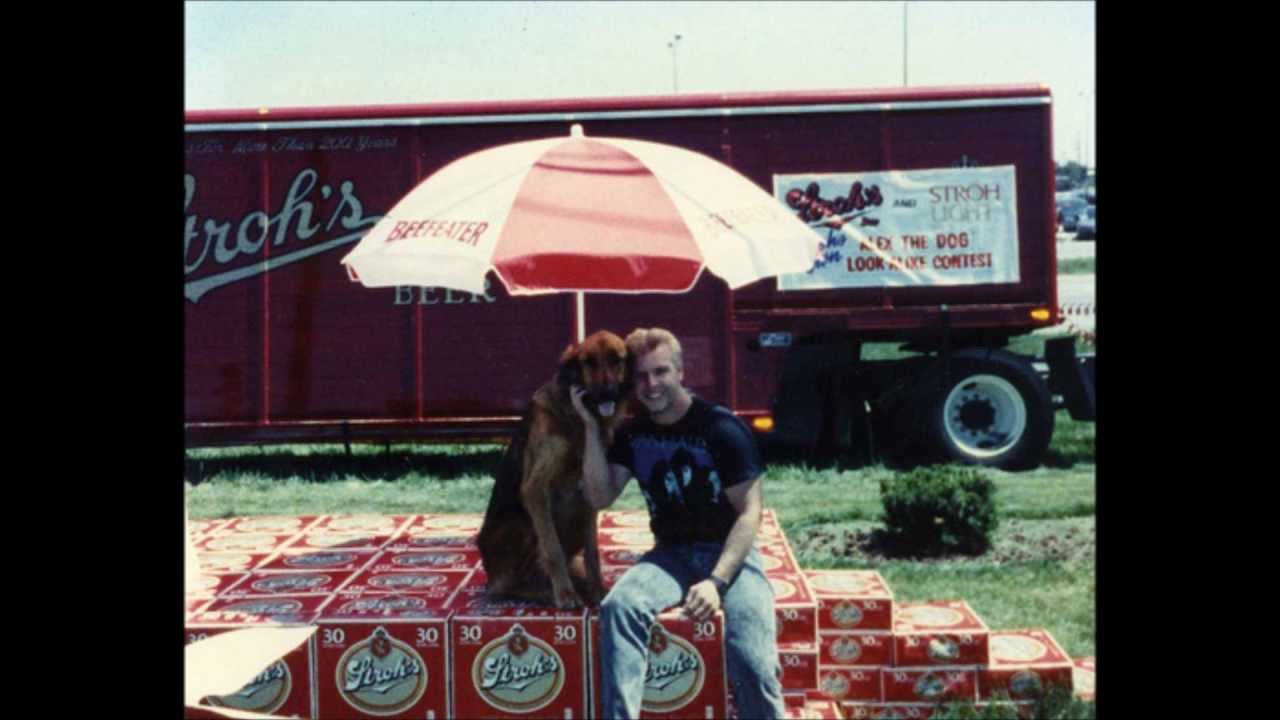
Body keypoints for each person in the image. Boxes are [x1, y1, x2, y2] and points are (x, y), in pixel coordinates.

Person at [572, 327, 785, 720]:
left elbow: (749, 513)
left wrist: (716, 581)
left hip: (731, 559)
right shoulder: (634, 434)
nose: (651, 385)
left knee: (751, 658)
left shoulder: (721, 428)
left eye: (661, 372)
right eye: (640, 376)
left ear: (681, 372)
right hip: (669, 557)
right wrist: (589, 425)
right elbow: (600, 496)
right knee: (620, 606)